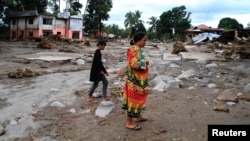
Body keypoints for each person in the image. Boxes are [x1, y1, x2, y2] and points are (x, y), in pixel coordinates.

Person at [122, 32, 149, 130]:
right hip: (134, 81)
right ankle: (129, 122)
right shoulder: (134, 50)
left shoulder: (136, 49)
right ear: (138, 40)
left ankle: (138, 116)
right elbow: (134, 64)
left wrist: (143, 62)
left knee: (137, 99)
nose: (145, 42)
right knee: (133, 100)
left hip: (137, 79)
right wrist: (144, 64)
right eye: (144, 40)